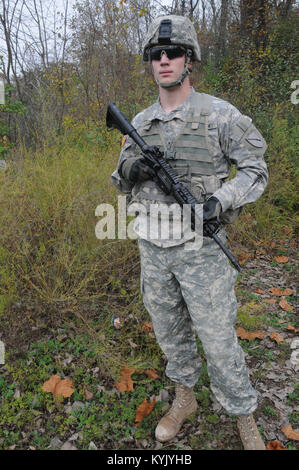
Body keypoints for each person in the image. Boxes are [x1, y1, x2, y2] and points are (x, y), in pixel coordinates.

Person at [110, 15, 268, 450]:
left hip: (202, 250)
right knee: (171, 334)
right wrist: (132, 168)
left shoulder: (220, 115)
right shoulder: (138, 123)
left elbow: (257, 170)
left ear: (189, 60)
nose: (163, 60)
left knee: (218, 340)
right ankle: (185, 399)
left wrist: (221, 200)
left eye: (173, 53)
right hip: (153, 247)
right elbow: (119, 181)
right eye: (156, 55)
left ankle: (243, 413)